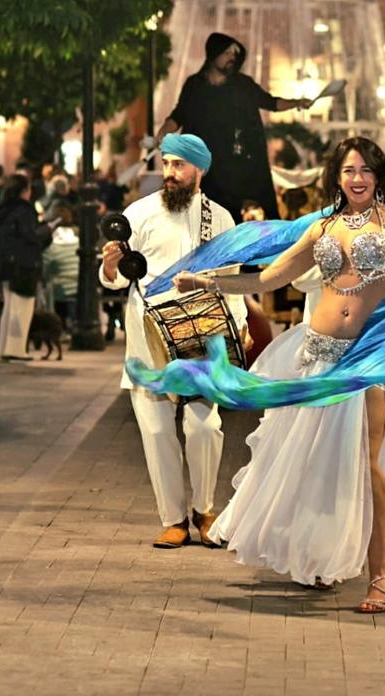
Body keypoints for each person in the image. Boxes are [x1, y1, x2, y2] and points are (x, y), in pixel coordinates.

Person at [173, 136, 385, 613]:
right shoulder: (322, 228)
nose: (357, 179)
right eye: (348, 170)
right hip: (316, 355)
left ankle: (382, 575)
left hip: (368, 360)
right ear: (336, 177)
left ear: (379, 176)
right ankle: (319, 556)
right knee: (316, 463)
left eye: (366, 170)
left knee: (370, 466)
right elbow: (269, 278)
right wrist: (206, 280)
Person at [100, 134, 249, 550]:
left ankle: (204, 509)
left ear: (199, 170)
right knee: (155, 430)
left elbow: (232, 279)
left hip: (202, 337)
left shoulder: (220, 219)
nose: (169, 172)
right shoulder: (139, 213)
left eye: (179, 165)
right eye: (166, 163)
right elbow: (115, 279)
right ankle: (173, 519)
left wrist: (238, 323)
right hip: (148, 338)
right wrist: (109, 268)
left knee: (205, 427)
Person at [292, 247, 385, 547]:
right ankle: (328, 521)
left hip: (381, 350)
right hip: (329, 354)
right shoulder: (322, 230)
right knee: (328, 441)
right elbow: (298, 279)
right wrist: (347, 263)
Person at [159, 32, 313, 223]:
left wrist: (297, 103)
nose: (232, 58)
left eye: (234, 54)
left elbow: (270, 102)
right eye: (227, 53)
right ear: (214, 54)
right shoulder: (195, 85)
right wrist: (162, 134)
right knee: (201, 214)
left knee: (236, 214)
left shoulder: (242, 85)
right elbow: (179, 115)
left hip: (236, 162)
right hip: (205, 163)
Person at [0, 173, 51, 361]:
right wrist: (46, 231)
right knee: (22, 307)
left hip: (6, 263)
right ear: (24, 191)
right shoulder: (25, 211)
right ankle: (16, 349)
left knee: (9, 306)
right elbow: (31, 237)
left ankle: (4, 347)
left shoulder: (3, 210)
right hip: (24, 265)